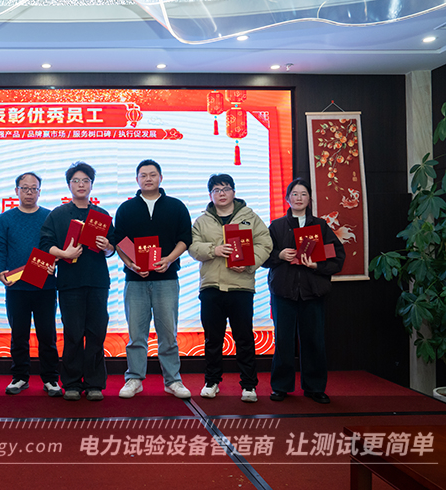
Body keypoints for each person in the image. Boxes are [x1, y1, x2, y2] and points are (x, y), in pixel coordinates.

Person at [113, 160, 193, 399]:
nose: (148, 179)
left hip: (166, 279)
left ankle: (173, 380)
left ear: (161, 178)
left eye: (152, 174)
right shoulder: (126, 208)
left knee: (168, 333)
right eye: (143, 175)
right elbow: (119, 241)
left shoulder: (176, 206)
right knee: (136, 334)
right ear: (137, 179)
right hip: (134, 280)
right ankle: (134, 378)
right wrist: (130, 264)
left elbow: (185, 238)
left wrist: (169, 259)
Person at [188, 174, 272, 402]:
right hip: (211, 287)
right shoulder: (202, 221)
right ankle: (212, 381)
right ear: (210, 195)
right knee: (212, 339)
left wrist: (249, 263)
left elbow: (265, 244)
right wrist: (213, 250)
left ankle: (249, 385)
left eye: (226, 188)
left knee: (244, 338)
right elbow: (193, 247)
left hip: (240, 286)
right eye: (216, 190)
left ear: (234, 192)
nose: (221, 193)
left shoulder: (250, 217)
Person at [263, 178, 345, 404]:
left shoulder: (320, 226)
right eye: (295, 194)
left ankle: (315, 387)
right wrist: (279, 255)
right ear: (287, 198)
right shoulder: (277, 226)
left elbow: (337, 257)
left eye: (303, 194)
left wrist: (317, 265)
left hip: (312, 291)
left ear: (310, 199)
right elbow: (263, 257)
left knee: (313, 340)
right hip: (283, 291)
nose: (299, 198)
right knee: (283, 340)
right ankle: (281, 386)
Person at [40, 161, 115, 401]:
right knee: (73, 333)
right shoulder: (58, 214)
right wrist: (64, 254)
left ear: (91, 185)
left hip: (97, 281)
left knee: (96, 333)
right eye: (76, 181)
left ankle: (94, 383)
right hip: (69, 282)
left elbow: (113, 248)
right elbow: (45, 244)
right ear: (69, 185)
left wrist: (107, 246)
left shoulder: (102, 215)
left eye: (85, 181)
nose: (81, 185)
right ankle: (71, 382)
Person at [0, 172, 61, 397]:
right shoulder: (6, 218)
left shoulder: (49, 216)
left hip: (45, 286)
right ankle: (20, 376)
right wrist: (0, 271)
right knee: (19, 334)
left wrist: (55, 262)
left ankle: (51, 379)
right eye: (25, 188)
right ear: (17, 191)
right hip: (16, 286)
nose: (29, 192)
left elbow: (57, 246)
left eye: (34, 188)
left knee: (47, 334)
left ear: (39, 191)